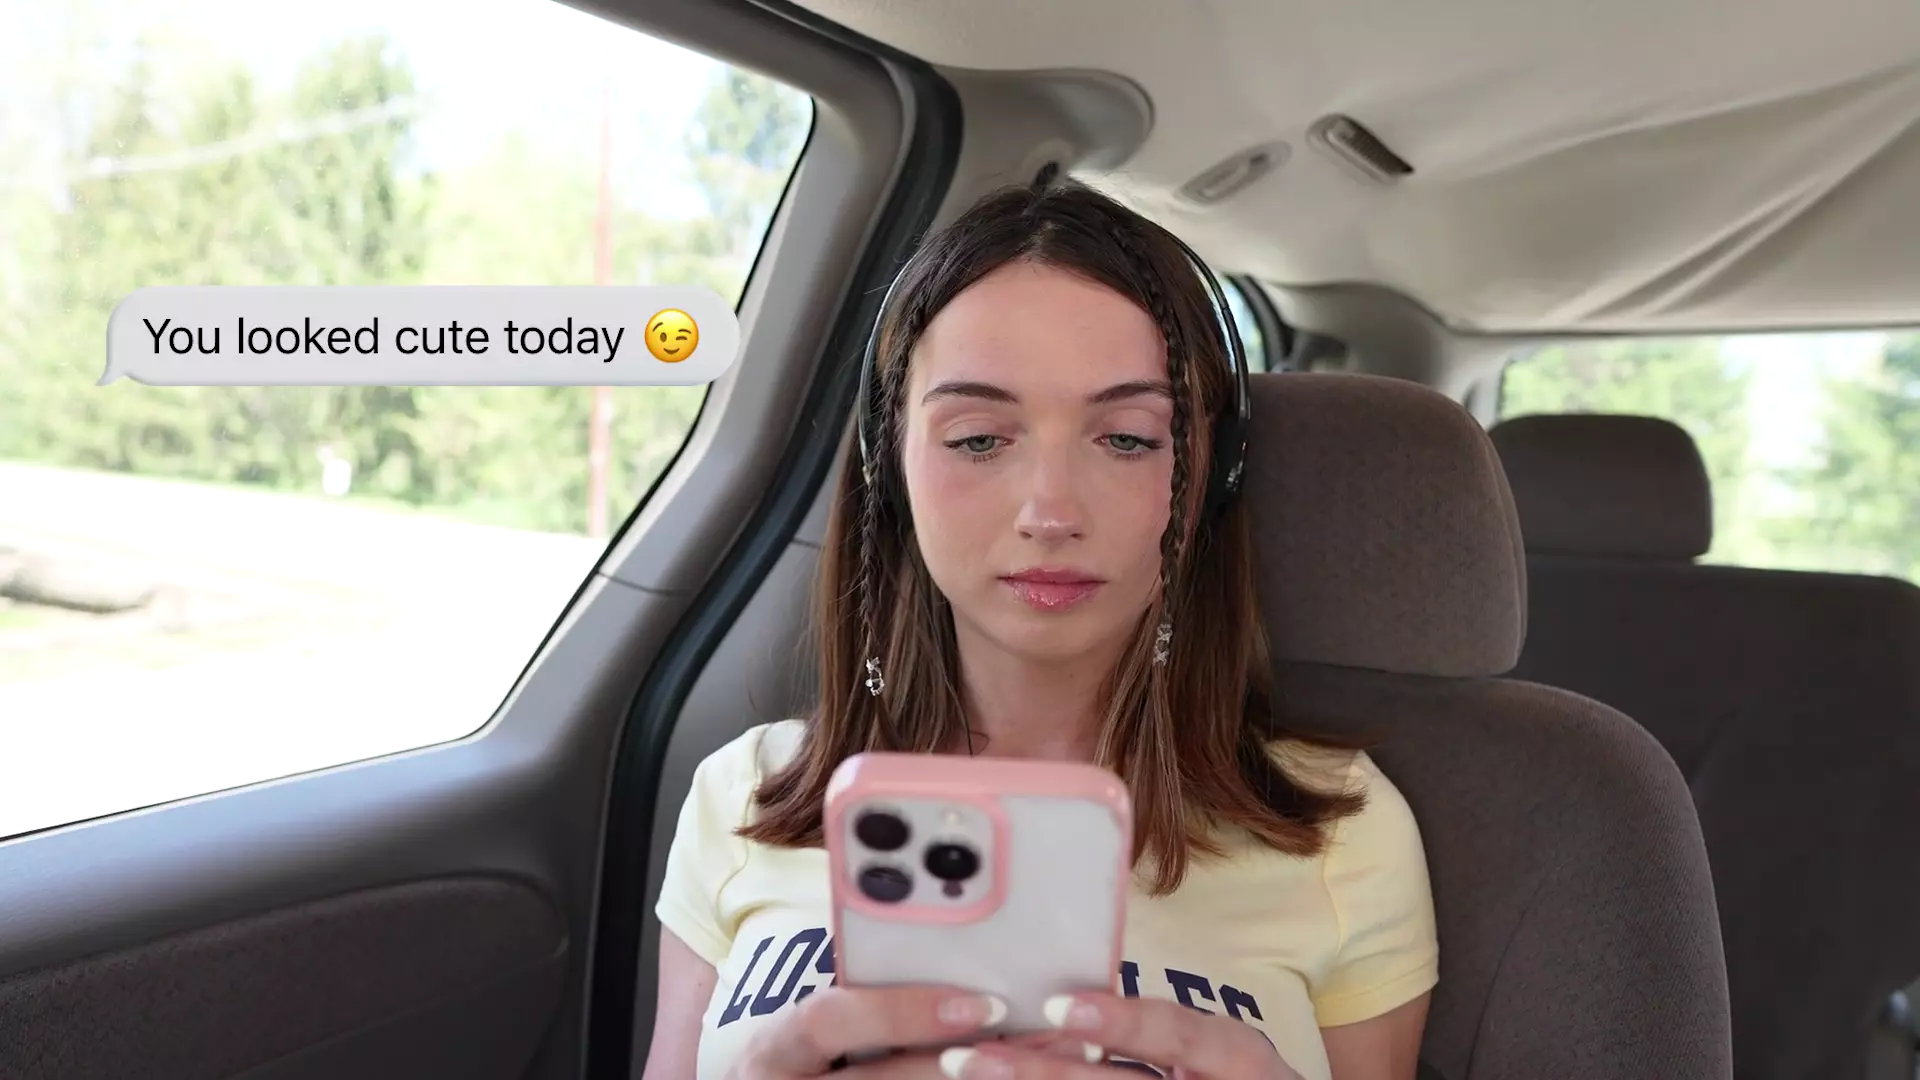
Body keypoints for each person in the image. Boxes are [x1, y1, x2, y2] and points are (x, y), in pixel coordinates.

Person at [643, 177, 1437, 1080]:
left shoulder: (1341, 834)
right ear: (889, 463)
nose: (1050, 513)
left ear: (1209, 480)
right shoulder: (745, 795)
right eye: (979, 439)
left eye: (1128, 439)